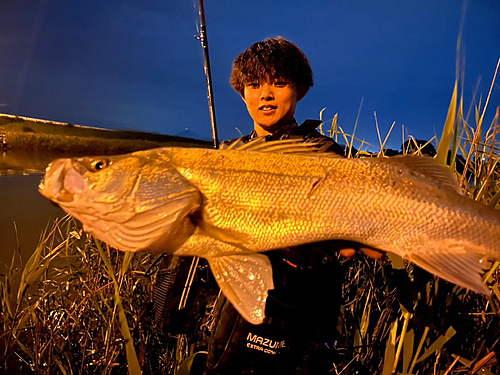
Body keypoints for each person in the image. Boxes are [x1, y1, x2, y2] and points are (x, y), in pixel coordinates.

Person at [153, 36, 383, 375]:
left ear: (300, 89)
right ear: (242, 92)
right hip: (223, 318)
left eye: (279, 83)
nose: (266, 94)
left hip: (286, 326)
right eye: (254, 84)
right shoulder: (228, 153)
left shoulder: (320, 154)